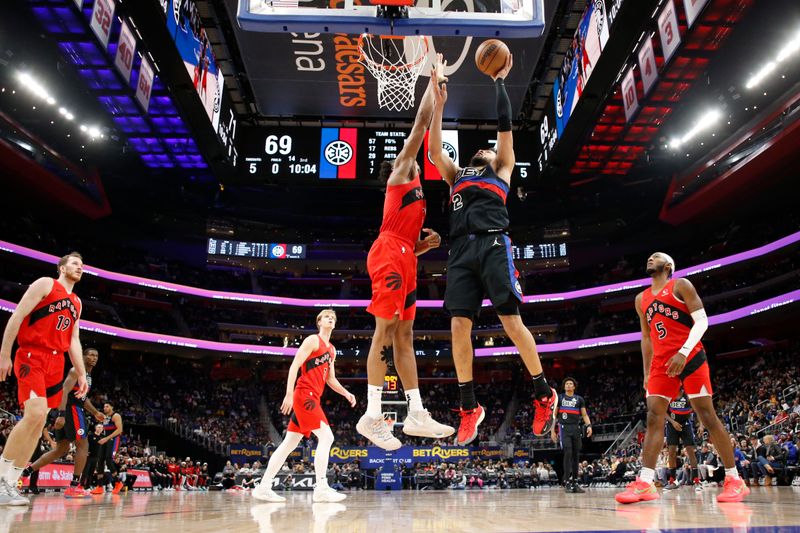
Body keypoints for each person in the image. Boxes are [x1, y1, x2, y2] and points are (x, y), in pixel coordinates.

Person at [429, 53, 557, 445]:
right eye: (482, 150)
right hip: (460, 252)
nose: (486, 150)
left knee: (510, 322)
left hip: (493, 243)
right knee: (457, 327)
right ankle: (470, 407)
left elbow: (504, 127)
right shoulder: (457, 175)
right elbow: (435, 152)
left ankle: (542, 393)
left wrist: (499, 81)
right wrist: (438, 105)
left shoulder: (502, 168)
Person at [357, 56, 454, 450]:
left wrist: (421, 246)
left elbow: (406, 239)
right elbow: (418, 128)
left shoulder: (416, 195)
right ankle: (372, 414)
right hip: (388, 254)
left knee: (406, 336)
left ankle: (415, 413)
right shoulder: (400, 173)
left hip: (405, 257)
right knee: (384, 331)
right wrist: (432, 87)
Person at [615, 252, 749, 504]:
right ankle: (645, 482)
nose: (649, 258)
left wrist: (683, 352)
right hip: (660, 363)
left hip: (690, 356)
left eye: (655, 257)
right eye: (649, 257)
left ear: (668, 266)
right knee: (654, 417)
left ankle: (734, 479)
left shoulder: (681, 285)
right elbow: (646, 337)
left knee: (707, 416)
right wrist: (646, 371)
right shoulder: (640, 298)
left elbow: (702, 322)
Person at [0, 252, 89, 506]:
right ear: (61, 267)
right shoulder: (45, 284)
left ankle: (11, 482)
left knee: (39, 425)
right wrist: (5, 353)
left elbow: (73, 340)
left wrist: (81, 373)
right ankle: (0, 478)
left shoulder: (77, 302)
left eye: (82, 265)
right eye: (74, 263)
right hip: (32, 354)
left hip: (56, 362)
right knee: (35, 413)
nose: (79, 267)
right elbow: (17, 316)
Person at [252, 309, 356, 503]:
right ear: (319, 322)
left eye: (333, 317)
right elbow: (294, 365)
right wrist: (289, 394)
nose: (331, 318)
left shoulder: (331, 349)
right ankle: (322, 487)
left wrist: (346, 393)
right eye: (327, 316)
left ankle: (264, 487)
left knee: (288, 444)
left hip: (313, 397)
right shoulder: (312, 340)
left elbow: (331, 379)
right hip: (304, 394)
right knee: (327, 436)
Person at [22, 347, 104, 498]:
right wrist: (61, 414)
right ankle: (74, 487)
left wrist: (95, 412)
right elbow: (64, 391)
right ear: (83, 356)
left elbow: (82, 398)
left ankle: (26, 472)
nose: (94, 358)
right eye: (91, 355)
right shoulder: (76, 371)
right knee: (83, 445)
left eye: (96, 355)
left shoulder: (88, 374)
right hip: (70, 410)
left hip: (73, 409)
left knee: (61, 449)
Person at [550, 377, 592, 493]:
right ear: (564, 387)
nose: (568, 385)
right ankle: (567, 482)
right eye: (566, 384)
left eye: (571, 383)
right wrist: (552, 431)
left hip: (576, 428)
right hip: (564, 428)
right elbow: (554, 415)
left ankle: (575, 482)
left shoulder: (579, 399)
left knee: (576, 455)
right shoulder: (560, 398)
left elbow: (584, 415)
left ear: (574, 386)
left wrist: (589, 426)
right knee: (568, 453)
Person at [662, 392, 700, 490]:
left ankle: (696, 481)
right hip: (671, 425)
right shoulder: (669, 395)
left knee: (690, 452)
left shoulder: (687, 395)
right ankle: (672, 481)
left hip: (686, 424)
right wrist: (673, 422)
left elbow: (697, 409)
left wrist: (701, 424)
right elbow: (663, 412)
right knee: (671, 453)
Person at [91, 402, 123, 494]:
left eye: (107, 406)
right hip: (105, 439)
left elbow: (119, 430)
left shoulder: (116, 416)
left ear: (112, 407)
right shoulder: (104, 417)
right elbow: (103, 428)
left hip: (114, 439)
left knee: (108, 460)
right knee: (100, 460)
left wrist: (107, 438)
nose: (105, 408)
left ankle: (118, 482)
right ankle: (100, 486)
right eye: (104, 406)